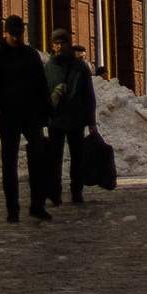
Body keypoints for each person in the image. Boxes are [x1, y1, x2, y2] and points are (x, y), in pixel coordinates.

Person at [0, 14, 55, 219]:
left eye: (19, 34)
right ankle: (12, 209)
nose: (16, 38)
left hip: (31, 114)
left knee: (39, 156)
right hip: (8, 115)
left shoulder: (31, 54)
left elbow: (41, 84)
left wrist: (47, 111)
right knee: (10, 162)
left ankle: (37, 205)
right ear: (6, 33)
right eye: (13, 34)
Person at [47, 36, 99, 206]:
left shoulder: (80, 67)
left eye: (62, 43)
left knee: (77, 158)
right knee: (55, 159)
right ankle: (55, 192)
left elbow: (88, 95)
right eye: (56, 43)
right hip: (55, 120)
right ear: (52, 45)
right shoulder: (48, 67)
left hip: (76, 120)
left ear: (68, 45)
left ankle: (77, 191)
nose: (59, 46)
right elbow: (42, 93)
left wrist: (91, 121)